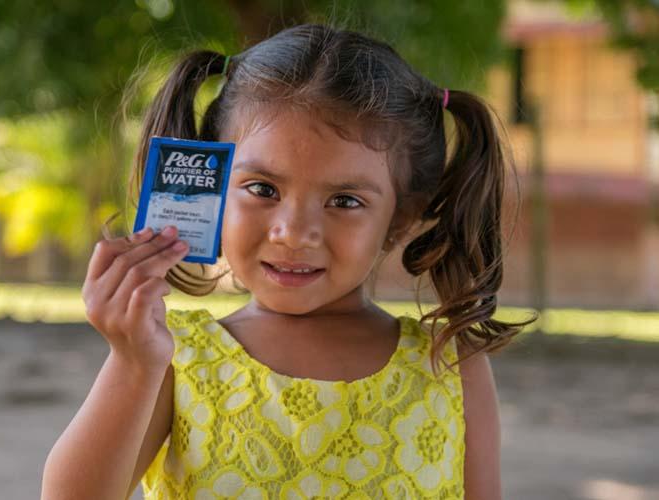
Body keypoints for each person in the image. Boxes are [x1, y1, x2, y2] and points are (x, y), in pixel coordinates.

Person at [41, 23, 538, 500]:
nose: (294, 232)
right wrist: (132, 363)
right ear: (212, 191)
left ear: (402, 215)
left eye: (344, 200)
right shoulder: (170, 359)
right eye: (263, 189)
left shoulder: (451, 364)